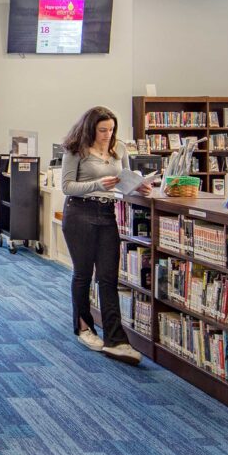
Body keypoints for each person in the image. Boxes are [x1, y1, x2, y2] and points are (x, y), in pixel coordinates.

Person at [60, 105, 147, 365]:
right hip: (80, 213)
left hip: (108, 213)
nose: (107, 134)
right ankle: (84, 327)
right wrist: (98, 184)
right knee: (83, 274)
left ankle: (116, 338)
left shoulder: (119, 148)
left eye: (111, 129)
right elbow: (67, 187)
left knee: (108, 277)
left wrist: (139, 187)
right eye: (102, 130)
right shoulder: (75, 148)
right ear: (90, 128)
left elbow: (127, 178)